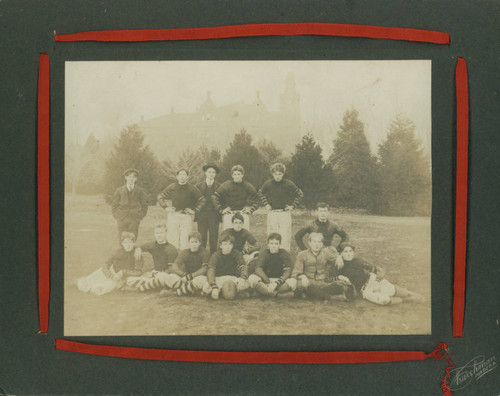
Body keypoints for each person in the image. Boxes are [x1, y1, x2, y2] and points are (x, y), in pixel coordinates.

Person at [336, 242, 425, 305]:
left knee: (394, 291)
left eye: (350, 251)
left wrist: (377, 282)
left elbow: (379, 270)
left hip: (372, 281)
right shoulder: (339, 266)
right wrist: (340, 276)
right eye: (345, 251)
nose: (349, 254)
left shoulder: (358, 261)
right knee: (384, 300)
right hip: (365, 291)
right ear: (341, 254)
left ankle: (412, 294)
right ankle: (406, 300)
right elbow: (330, 278)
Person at [291, 232, 354, 301]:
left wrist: (338, 256)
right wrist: (303, 276)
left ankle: (317, 295)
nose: (316, 244)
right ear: (309, 243)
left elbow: (335, 255)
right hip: (308, 282)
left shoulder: (326, 253)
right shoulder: (302, 254)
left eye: (319, 242)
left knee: (340, 286)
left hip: (323, 282)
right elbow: (296, 272)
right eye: (314, 241)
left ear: (322, 244)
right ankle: (332, 297)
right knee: (304, 287)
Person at [77, 232, 144, 296]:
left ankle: (98, 287)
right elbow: (105, 265)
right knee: (88, 281)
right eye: (125, 242)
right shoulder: (118, 252)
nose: (128, 245)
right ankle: (87, 283)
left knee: (101, 288)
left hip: (122, 278)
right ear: (122, 243)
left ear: (133, 243)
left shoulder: (137, 254)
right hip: (112, 272)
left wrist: (123, 273)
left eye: (130, 242)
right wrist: (110, 275)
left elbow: (139, 272)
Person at [258, 162, 303, 251]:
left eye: (280, 174)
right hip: (273, 213)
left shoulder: (288, 184)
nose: (277, 176)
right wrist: (266, 204)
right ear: (272, 174)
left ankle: (285, 257)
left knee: (285, 236)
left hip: (284, 213)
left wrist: (292, 206)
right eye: (275, 174)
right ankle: (272, 255)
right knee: (272, 235)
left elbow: (299, 194)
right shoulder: (268, 184)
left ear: (283, 174)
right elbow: (260, 193)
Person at [157, 169, 205, 249]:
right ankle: (173, 259)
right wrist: (166, 207)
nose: (182, 176)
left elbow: (202, 200)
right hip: (173, 215)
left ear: (187, 177)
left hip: (186, 217)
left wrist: (194, 211)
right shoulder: (173, 186)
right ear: (177, 176)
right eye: (180, 174)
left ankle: (184, 259)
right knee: (172, 239)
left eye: (184, 175)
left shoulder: (192, 188)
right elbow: (160, 197)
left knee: (186, 239)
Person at [126, 224, 180, 292]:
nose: (159, 235)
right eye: (157, 233)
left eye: (161, 233)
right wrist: (138, 249)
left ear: (166, 233)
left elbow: (171, 269)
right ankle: (155, 285)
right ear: (154, 234)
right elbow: (141, 247)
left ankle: (141, 288)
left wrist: (154, 274)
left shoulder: (171, 249)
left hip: (166, 275)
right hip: (155, 274)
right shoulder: (152, 245)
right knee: (129, 280)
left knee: (165, 278)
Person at [248, 233, 297, 298]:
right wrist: (268, 282)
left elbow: (288, 270)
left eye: (276, 244)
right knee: (252, 278)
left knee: (293, 281)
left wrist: (276, 283)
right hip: (266, 281)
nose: (274, 246)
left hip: (279, 282)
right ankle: (277, 295)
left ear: (279, 244)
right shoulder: (264, 253)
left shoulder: (284, 253)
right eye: (271, 243)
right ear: (268, 244)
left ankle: (264, 293)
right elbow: (258, 269)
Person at [203, 233, 250, 300]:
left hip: (233, 278)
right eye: (225, 244)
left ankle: (225, 291)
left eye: (230, 244)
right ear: (221, 246)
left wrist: (242, 278)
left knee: (247, 283)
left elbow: (243, 266)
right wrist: (214, 286)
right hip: (219, 278)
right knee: (206, 287)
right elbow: (211, 270)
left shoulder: (236, 253)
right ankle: (224, 291)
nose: (227, 247)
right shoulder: (216, 255)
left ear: (232, 245)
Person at [212, 165, 259, 230]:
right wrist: (221, 210)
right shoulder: (226, 185)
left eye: (239, 174)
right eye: (235, 174)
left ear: (242, 175)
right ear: (232, 175)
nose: (237, 176)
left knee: (243, 236)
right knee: (228, 237)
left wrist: (250, 210)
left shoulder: (247, 185)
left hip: (242, 214)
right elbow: (214, 197)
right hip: (229, 214)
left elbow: (257, 199)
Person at [111, 168, 149, 244]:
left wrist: (140, 216)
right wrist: (116, 215)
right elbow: (114, 204)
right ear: (126, 178)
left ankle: (131, 254)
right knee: (121, 238)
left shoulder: (140, 190)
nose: (131, 179)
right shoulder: (119, 190)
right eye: (129, 177)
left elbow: (144, 204)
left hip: (134, 218)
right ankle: (122, 254)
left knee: (133, 237)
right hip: (122, 217)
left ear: (136, 179)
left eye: (133, 177)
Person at [170, 231, 211, 296]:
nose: (194, 244)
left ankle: (175, 292)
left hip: (199, 277)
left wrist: (191, 276)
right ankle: (191, 289)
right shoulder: (185, 252)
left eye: (196, 242)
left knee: (200, 281)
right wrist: (183, 274)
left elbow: (205, 268)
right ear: (189, 242)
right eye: (192, 242)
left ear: (200, 243)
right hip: (187, 278)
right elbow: (175, 265)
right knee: (171, 277)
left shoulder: (204, 252)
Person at [195, 163, 221, 253]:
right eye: (209, 172)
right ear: (205, 173)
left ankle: (213, 257)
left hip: (214, 215)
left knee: (214, 237)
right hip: (202, 215)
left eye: (213, 172)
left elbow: (222, 200)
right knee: (202, 237)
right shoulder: (198, 186)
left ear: (215, 174)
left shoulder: (219, 186)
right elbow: (195, 200)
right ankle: (202, 256)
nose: (211, 174)